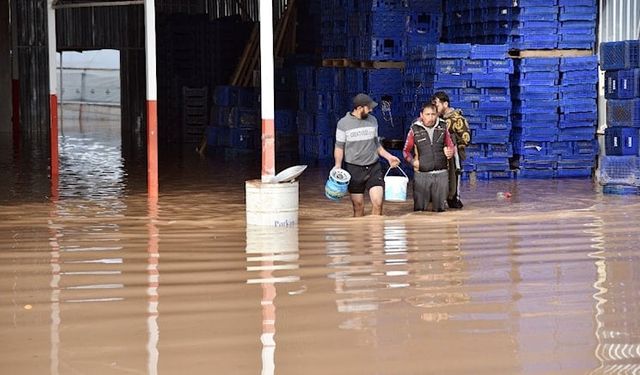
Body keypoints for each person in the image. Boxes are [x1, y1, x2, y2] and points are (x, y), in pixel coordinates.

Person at [334, 93, 401, 217]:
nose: (371, 110)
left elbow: (376, 145)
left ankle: (375, 234)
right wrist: (337, 165)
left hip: (373, 167)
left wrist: (389, 157)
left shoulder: (373, 120)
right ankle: (359, 234)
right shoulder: (343, 124)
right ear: (359, 108)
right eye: (368, 107)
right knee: (358, 207)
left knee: (378, 203)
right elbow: (339, 147)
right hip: (354, 169)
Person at [402, 103, 454, 212]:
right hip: (422, 174)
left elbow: (450, 145)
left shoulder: (443, 127)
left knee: (440, 210)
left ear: (437, 115)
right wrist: (412, 162)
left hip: (441, 173)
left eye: (433, 114)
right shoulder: (414, 130)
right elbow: (406, 151)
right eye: (427, 114)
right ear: (422, 115)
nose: (430, 117)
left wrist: (450, 151)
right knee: (420, 210)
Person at [431, 91, 471, 209]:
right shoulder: (437, 119)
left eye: (437, 104)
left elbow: (466, 138)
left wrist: (454, 147)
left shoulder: (457, 119)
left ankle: (454, 199)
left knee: (454, 178)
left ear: (445, 104)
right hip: (441, 156)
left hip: (454, 155)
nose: (435, 107)